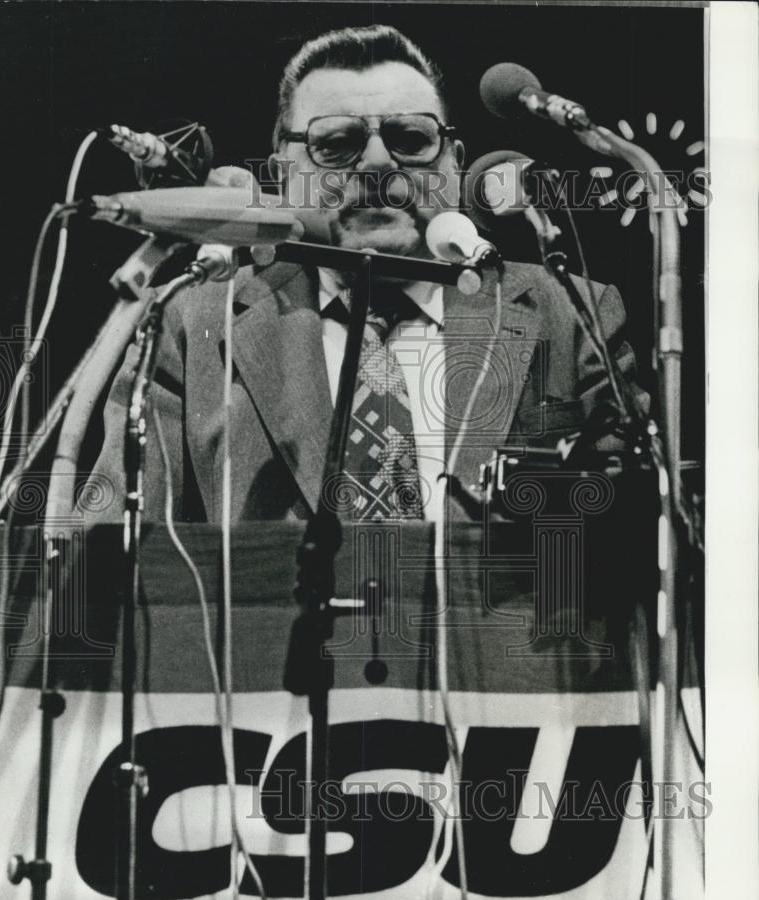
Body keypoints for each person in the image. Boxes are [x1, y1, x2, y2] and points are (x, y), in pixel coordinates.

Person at [82, 24, 645, 525]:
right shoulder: (188, 321)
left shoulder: (568, 312)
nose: (378, 164)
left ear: (452, 162)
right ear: (285, 172)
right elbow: (102, 558)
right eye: (337, 145)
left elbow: (637, 551)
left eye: (410, 141)